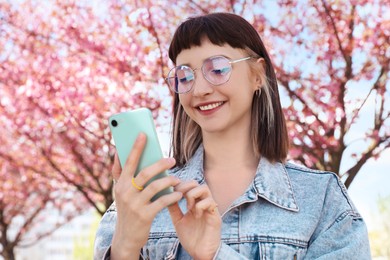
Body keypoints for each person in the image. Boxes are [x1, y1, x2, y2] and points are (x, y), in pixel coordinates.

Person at [94, 12, 371, 259]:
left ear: (257, 75)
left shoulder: (321, 198)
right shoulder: (139, 200)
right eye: (185, 75)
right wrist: (124, 249)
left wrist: (216, 254)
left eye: (217, 69)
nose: (199, 89)